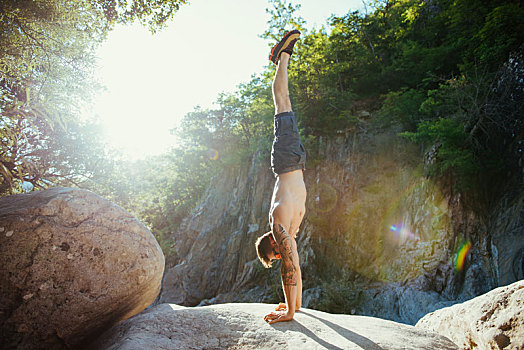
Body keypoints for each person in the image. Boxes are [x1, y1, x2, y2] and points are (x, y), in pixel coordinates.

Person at [255, 30, 307, 324]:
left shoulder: (278, 226)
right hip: (297, 161)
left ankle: (282, 55)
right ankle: (282, 56)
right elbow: (295, 266)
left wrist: (287, 313)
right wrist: (295, 306)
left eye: (273, 256)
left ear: (271, 244)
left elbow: (288, 265)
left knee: (281, 100)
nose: (279, 257)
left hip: (287, 161)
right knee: (283, 103)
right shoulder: (291, 231)